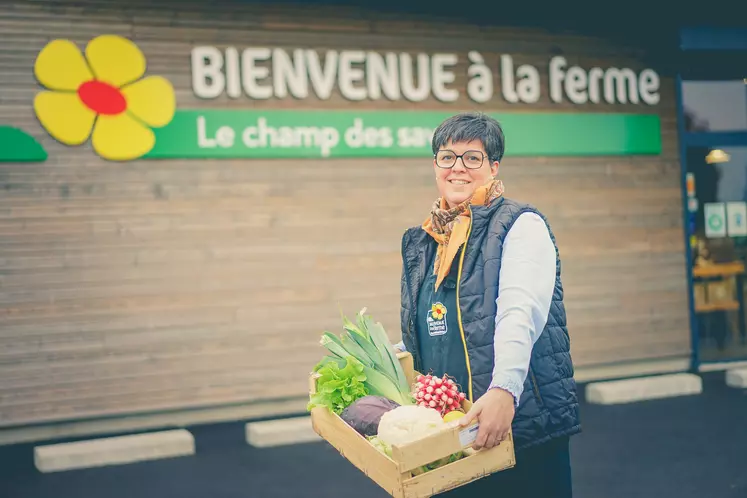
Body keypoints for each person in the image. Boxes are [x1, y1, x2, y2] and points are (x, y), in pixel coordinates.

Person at [395, 112, 581, 497]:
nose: (457, 168)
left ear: (493, 166)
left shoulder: (519, 225)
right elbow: (432, 330)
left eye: (472, 158)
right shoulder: (425, 241)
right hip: (454, 437)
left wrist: (504, 390)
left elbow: (519, 314)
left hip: (517, 428)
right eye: (447, 157)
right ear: (435, 166)